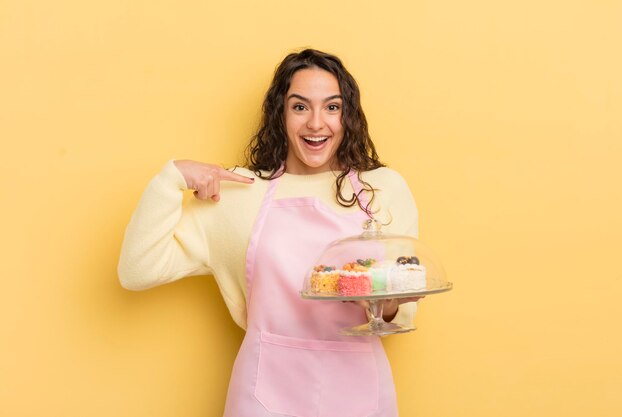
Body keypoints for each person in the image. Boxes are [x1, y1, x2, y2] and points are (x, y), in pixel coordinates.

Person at [118, 49, 420, 417]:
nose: (315, 123)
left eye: (332, 107)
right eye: (299, 107)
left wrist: (383, 305)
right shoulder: (239, 193)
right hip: (265, 392)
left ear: (348, 116)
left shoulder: (383, 190)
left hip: (358, 390)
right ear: (280, 113)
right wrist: (171, 179)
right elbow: (137, 272)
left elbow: (403, 308)